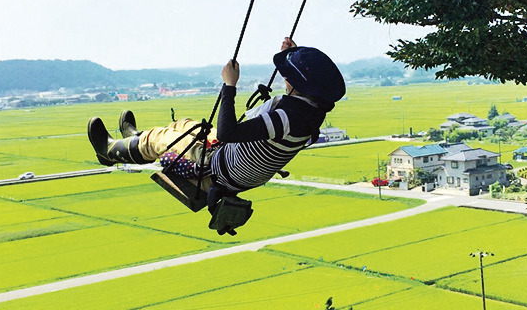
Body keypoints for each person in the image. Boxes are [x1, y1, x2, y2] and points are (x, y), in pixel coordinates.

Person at [87, 37, 345, 200]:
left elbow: (227, 134)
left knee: (163, 138)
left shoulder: (288, 120)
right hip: (235, 163)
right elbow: (295, 91)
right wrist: (292, 56)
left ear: (295, 82)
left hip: (217, 169)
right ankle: (134, 142)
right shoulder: (310, 110)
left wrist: (229, 86)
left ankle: (108, 151)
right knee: (186, 125)